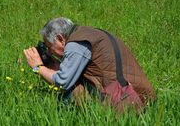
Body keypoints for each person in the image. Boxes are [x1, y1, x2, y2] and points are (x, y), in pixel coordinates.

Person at [24, 17, 156, 111]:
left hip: (126, 102)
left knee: (69, 92)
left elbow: (63, 82)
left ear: (60, 38)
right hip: (141, 95)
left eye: (49, 46)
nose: (50, 51)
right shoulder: (90, 34)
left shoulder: (75, 44)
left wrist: (38, 67)